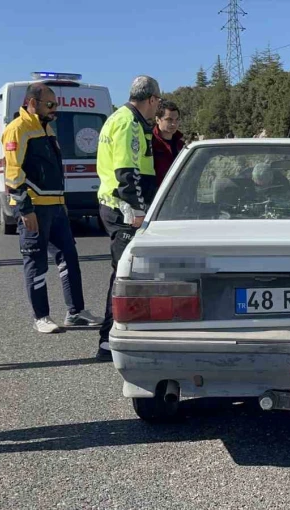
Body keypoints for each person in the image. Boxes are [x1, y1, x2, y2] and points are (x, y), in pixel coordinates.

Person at [1, 83, 101, 333]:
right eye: (50, 104)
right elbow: (13, 173)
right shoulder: (18, 129)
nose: (55, 109)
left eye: (55, 104)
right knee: (36, 262)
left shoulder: (47, 129)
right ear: (32, 103)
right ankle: (41, 316)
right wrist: (25, 209)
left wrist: (62, 204)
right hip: (34, 207)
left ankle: (76, 312)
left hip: (55, 207)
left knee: (69, 258)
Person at [95, 76, 161, 361]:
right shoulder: (129, 123)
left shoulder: (117, 118)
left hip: (116, 206)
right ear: (152, 99)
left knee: (130, 271)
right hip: (123, 210)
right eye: (157, 102)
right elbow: (127, 173)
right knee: (123, 274)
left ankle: (129, 331)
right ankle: (108, 340)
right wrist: (137, 211)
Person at [152, 100, 185, 187]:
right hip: (157, 196)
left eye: (177, 120)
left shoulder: (181, 145)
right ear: (158, 120)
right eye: (169, 120)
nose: (174, 124)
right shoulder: (149, 143)